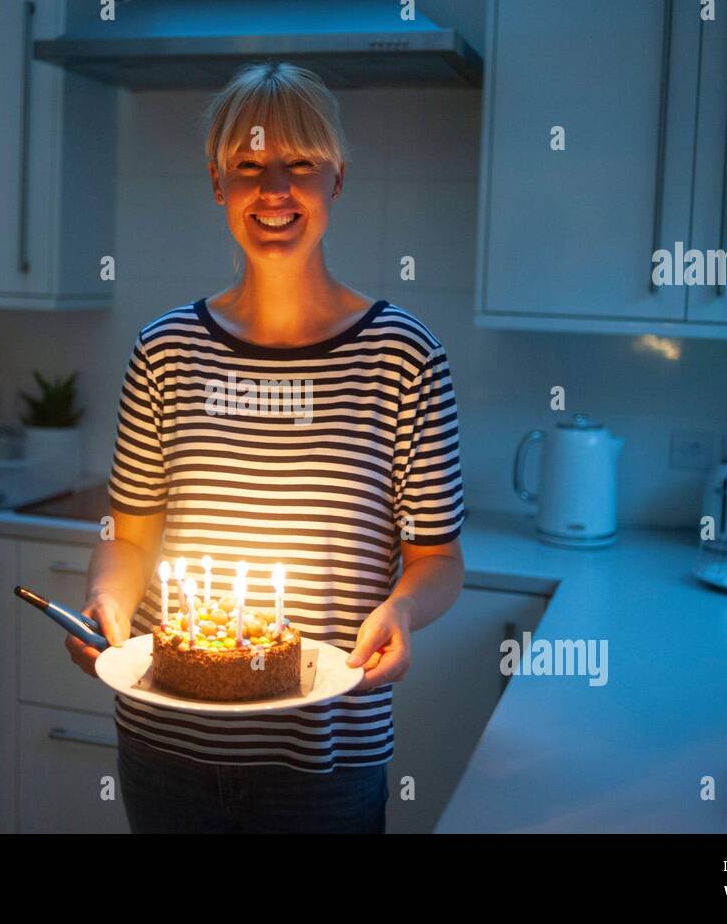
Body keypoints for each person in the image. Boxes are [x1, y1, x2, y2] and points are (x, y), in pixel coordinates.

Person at [66, 60, 466, 833]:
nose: (274, 189)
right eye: (249, 167)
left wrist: (404, 611)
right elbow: (129, 532)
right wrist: (108, 600)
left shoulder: (405, 359)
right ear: (218, 184)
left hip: (326, 759)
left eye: (301, 165)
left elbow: (439, 559)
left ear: (338, 180)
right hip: (165, 748)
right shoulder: (165, 351)